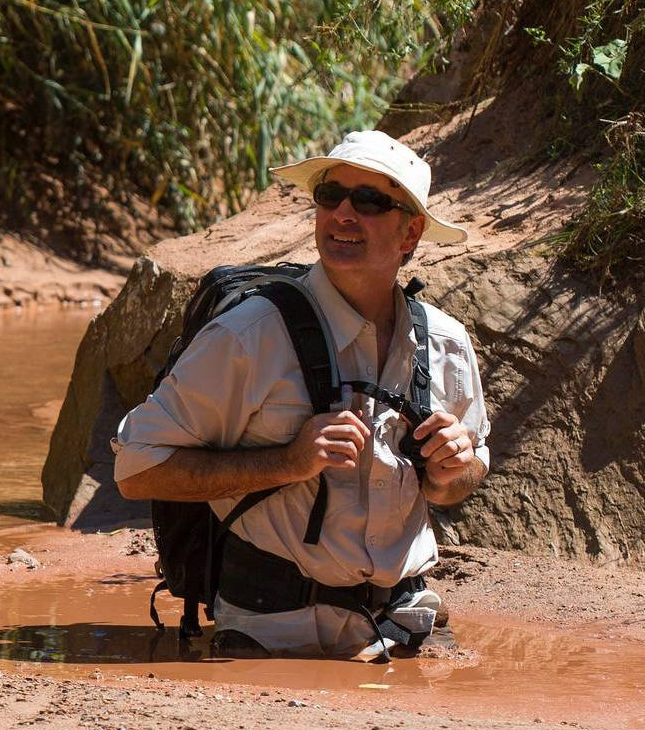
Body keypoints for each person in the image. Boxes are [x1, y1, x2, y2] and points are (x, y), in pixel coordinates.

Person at [112, 131, 489, 659]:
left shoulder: (446, 342)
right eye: (330, 196)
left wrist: (454, 470)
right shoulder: (250, 334)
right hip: (271, 628)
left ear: (411, 233)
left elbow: (457, 486)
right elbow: (136, 469)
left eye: (371, 201)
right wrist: (288, 462)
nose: (343, 214)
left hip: (406, 621)